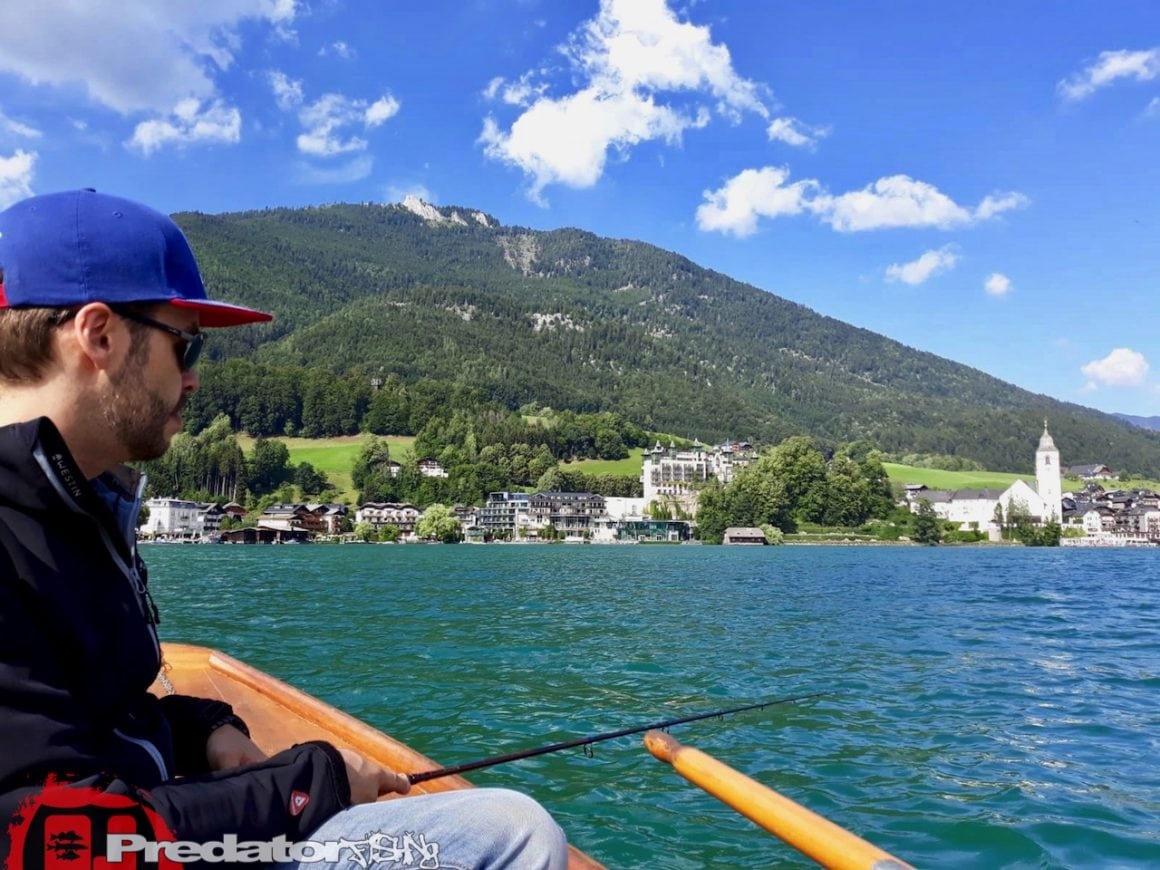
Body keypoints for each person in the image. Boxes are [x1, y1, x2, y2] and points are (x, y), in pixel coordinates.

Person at [0, 189, 568, 869]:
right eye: (185, 346)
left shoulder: (66, 508)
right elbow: (52, 840)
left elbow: (93, 719)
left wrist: (205, 730)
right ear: (98, 335)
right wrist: (308, 785)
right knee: (514, 831)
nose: (194, 379)